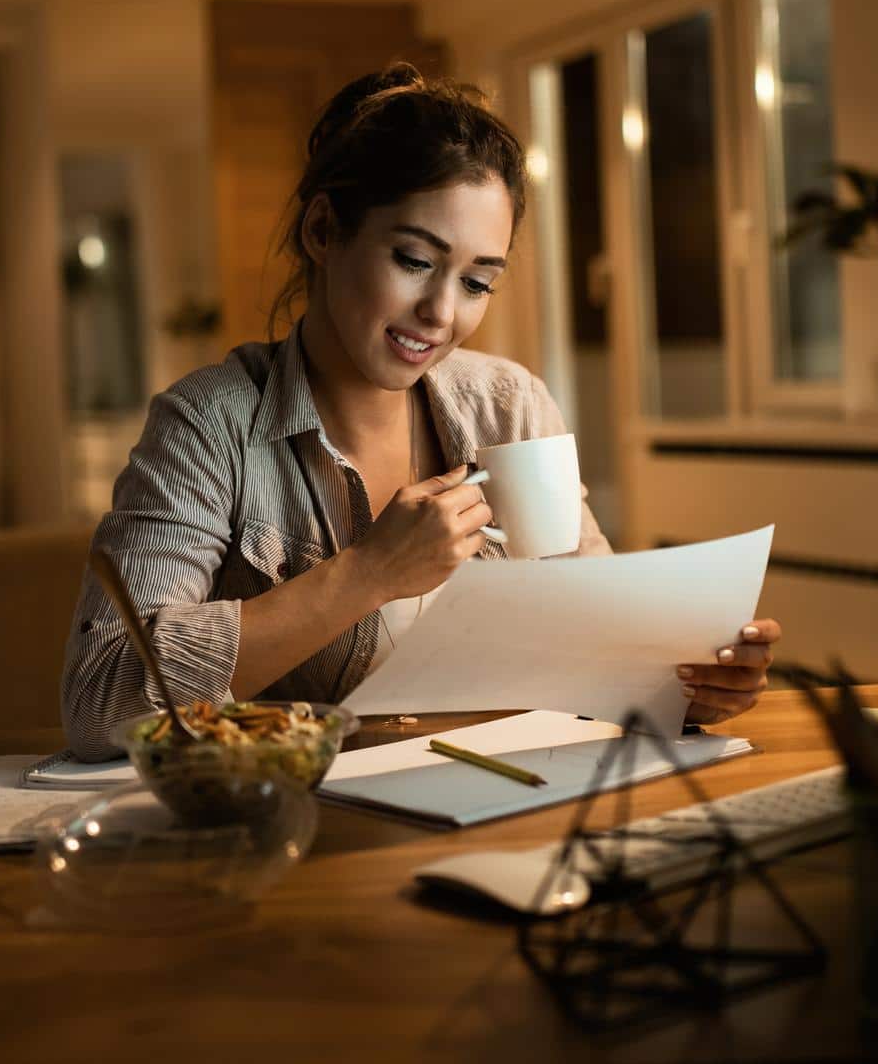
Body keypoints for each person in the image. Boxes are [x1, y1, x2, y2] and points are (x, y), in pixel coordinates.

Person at [60, 65, 779, 759]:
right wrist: (368, 573)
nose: (440, 313)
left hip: (510, 794)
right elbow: (100, 703)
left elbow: (601, 651)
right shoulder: (209, 424)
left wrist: (682, 684)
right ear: (322, 230)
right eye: (412, 259)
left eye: (475, 281)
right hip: (318, 825)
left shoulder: (509, 405)